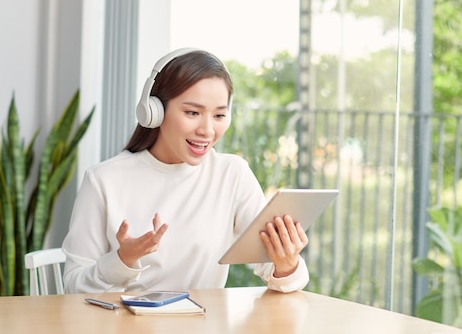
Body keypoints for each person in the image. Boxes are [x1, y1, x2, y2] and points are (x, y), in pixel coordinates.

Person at [62, 48, 310, 294]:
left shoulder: (231, 174)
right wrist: (122, 260)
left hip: (202, 330)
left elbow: (285, 279)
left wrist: (286, 264)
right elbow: (73, 287)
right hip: (123, 330)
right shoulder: (103, 180)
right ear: (154, 112)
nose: (207, 130)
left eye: (219, 115)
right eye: (192, 113)